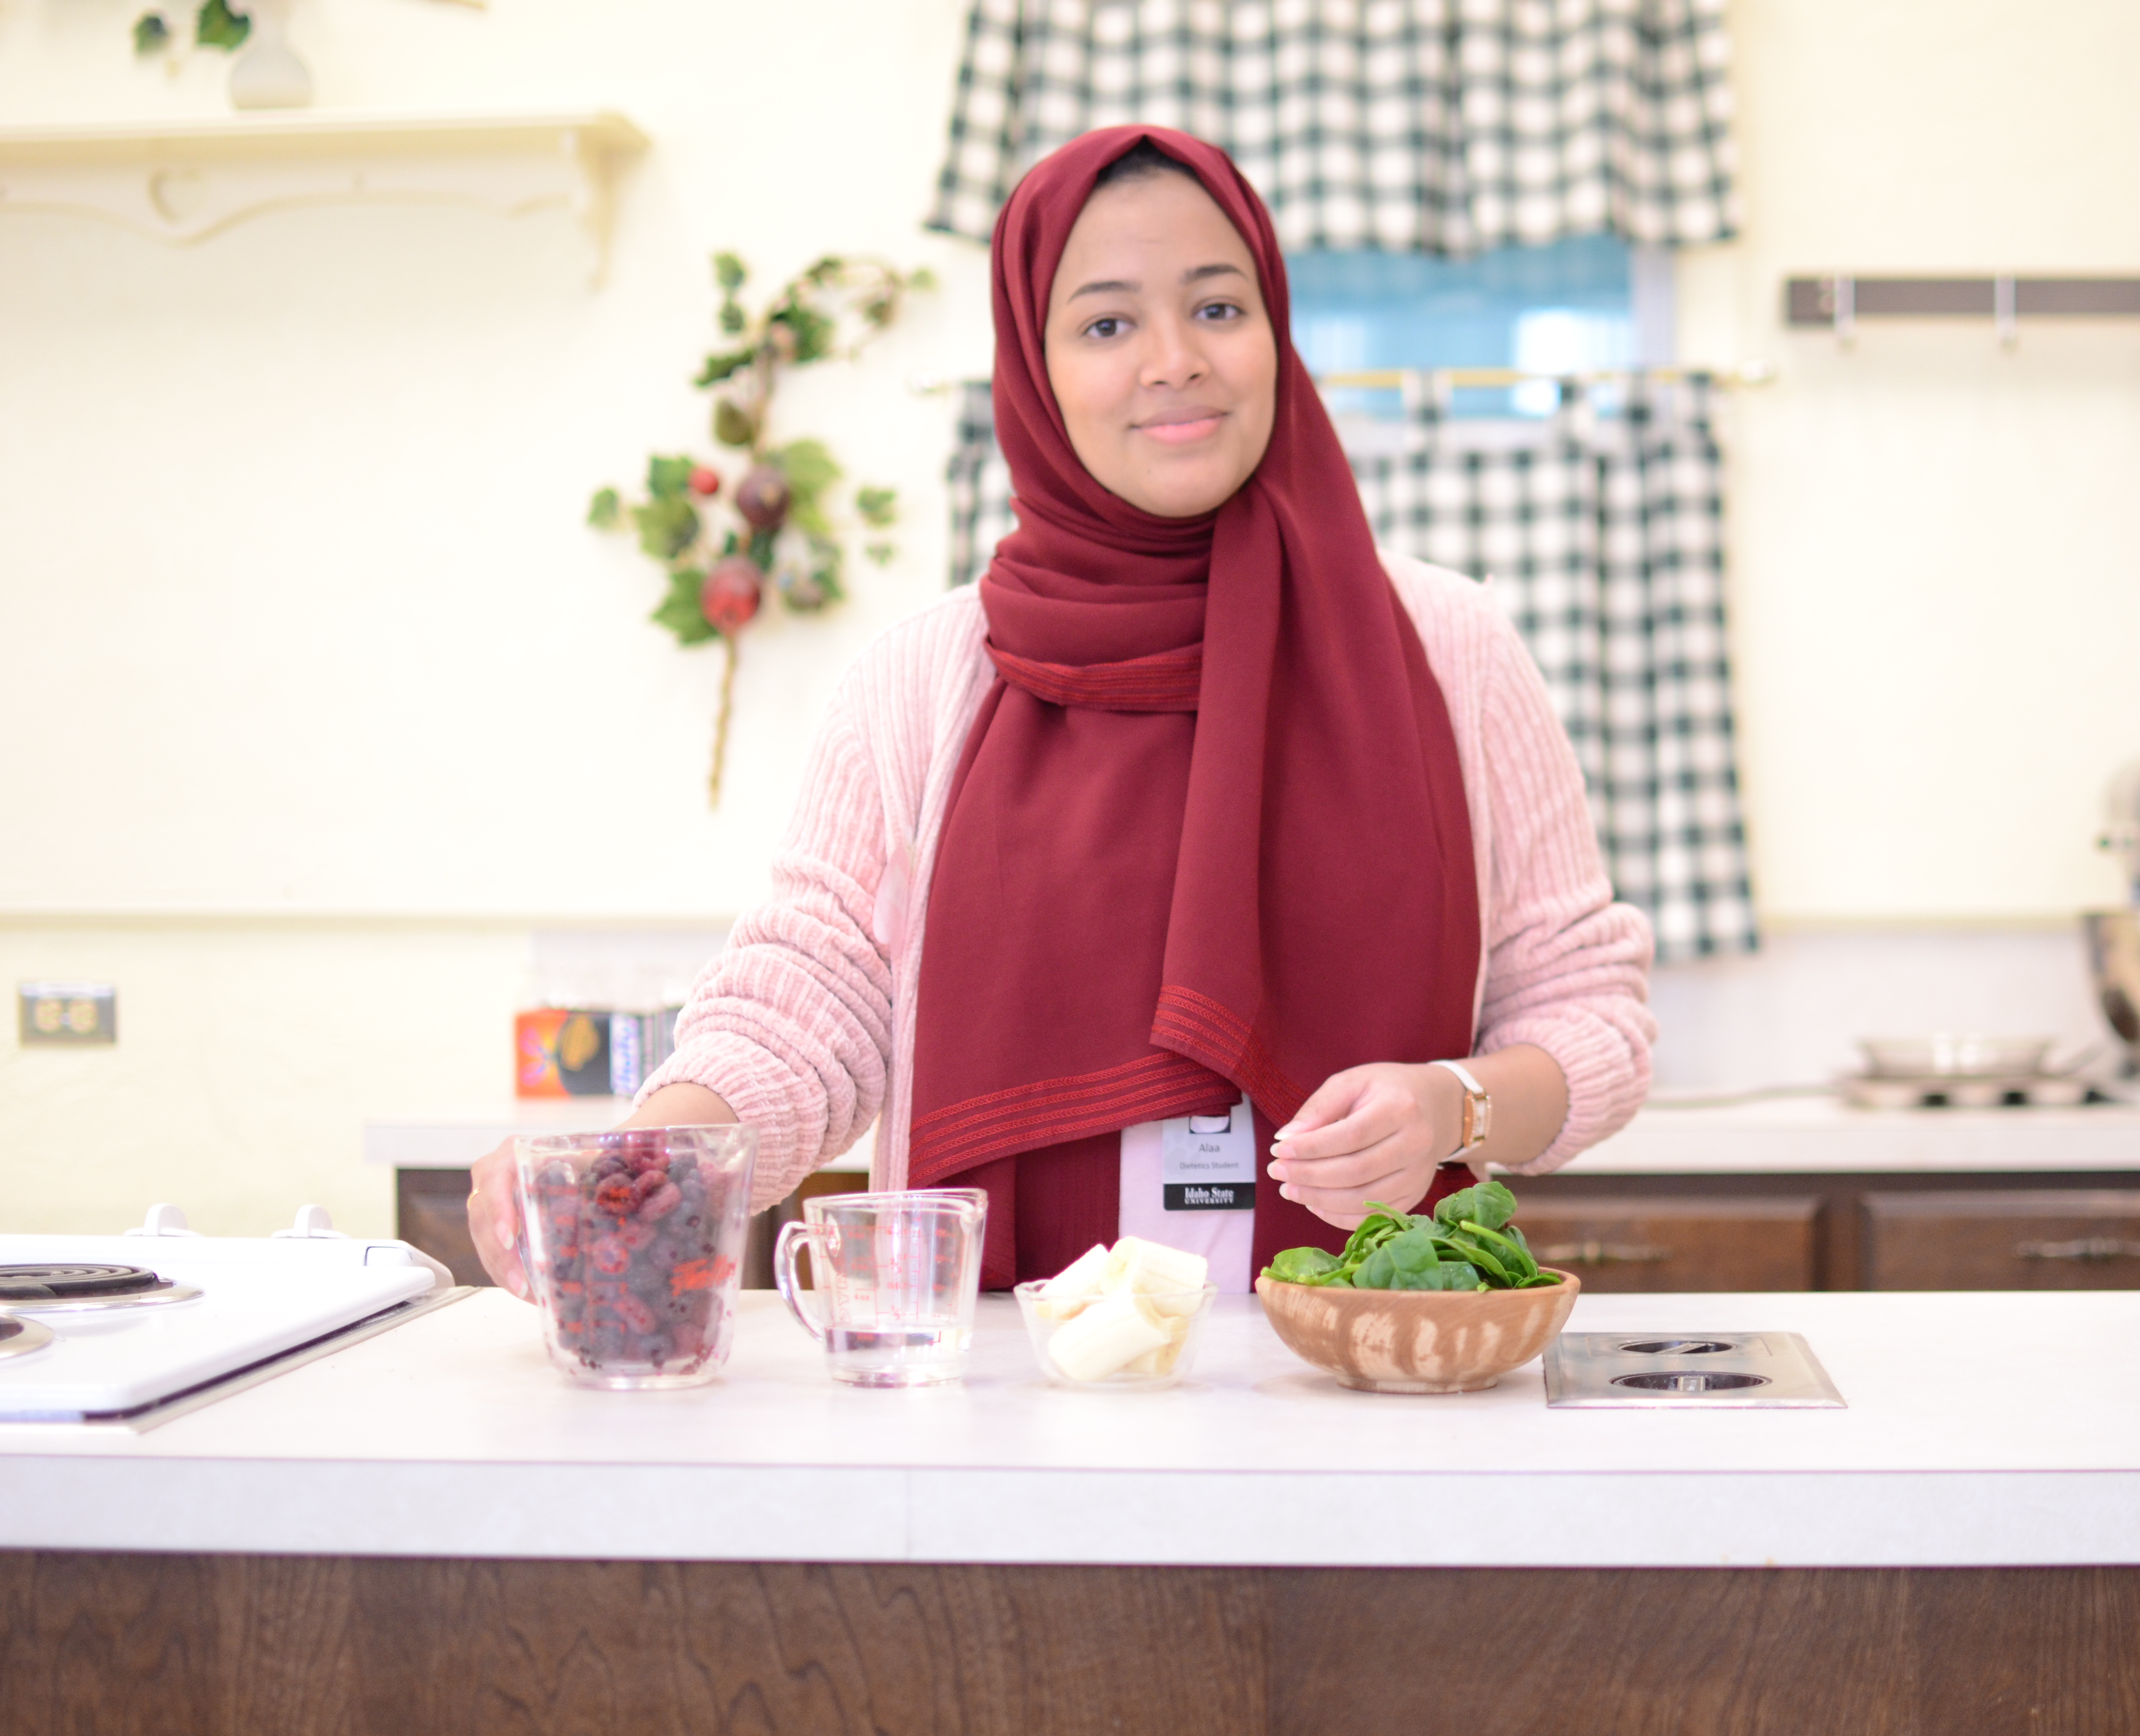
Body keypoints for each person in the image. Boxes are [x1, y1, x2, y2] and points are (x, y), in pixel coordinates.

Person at [468, 125, 1654, 1298]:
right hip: (1009, 1385)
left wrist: (1460, 1106)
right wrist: (651, 1156)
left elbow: (1586, 1008)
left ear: (1277, 334)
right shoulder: (924, 679)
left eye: (1219, 308)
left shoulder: (1450, 650)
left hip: (1362, 1367)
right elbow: (805, 1002)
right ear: (1031, 371)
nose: (1175, 359)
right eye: (1105, 324)